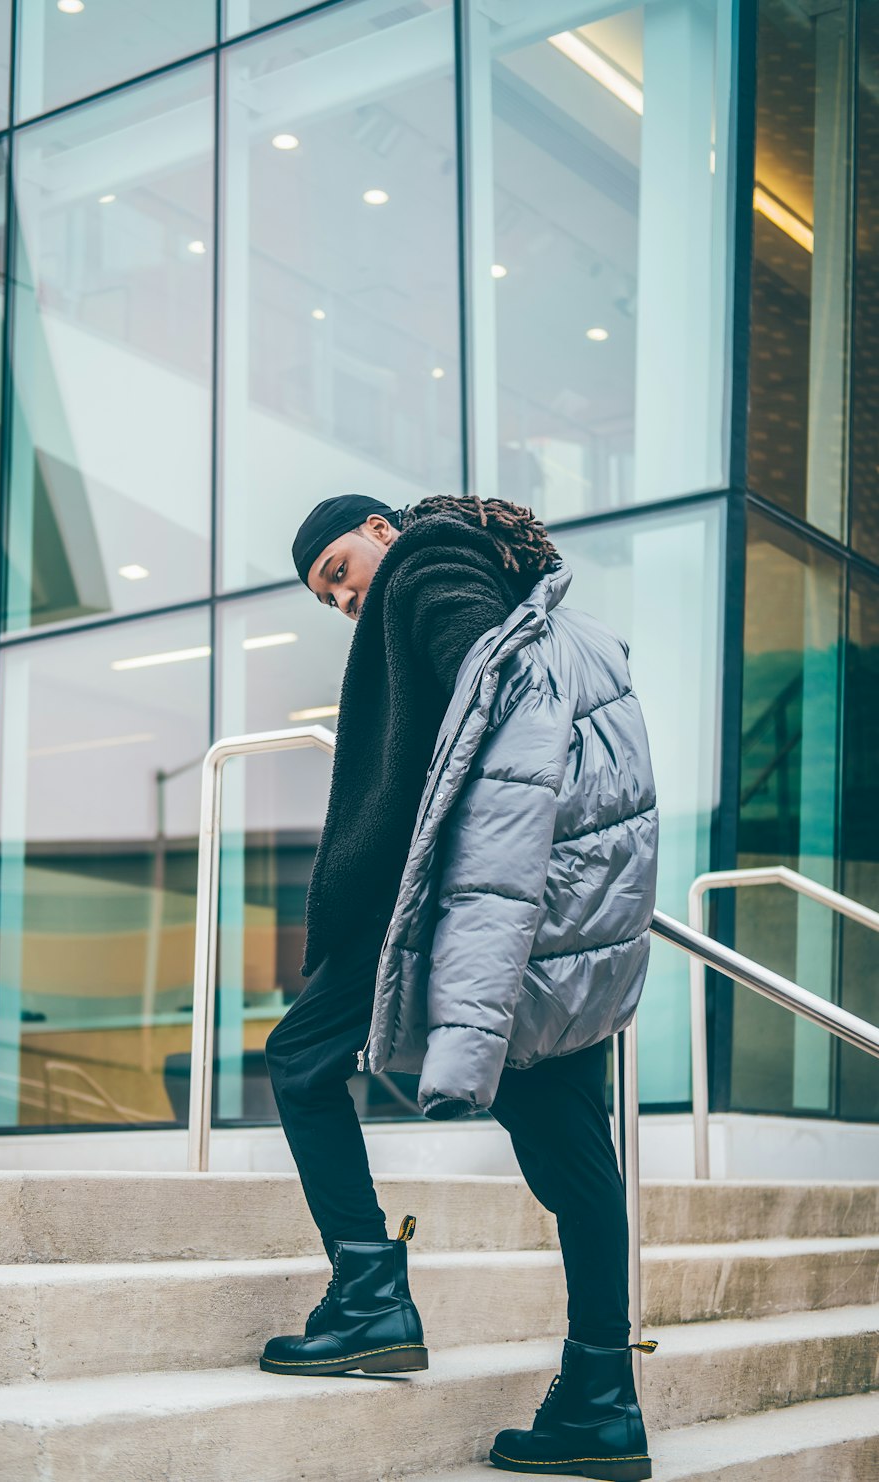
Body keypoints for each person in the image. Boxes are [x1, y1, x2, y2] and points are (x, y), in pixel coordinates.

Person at [260, 492, 659, 1481]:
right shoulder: (534, 602)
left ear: (383, 531)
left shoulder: (428, 565)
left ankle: (365, 1294)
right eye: (327, 598)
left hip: (446, 902)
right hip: (534, 911)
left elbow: (491, 698)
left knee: (302, 1059)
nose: (345, 598)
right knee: (572, 1158)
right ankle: (600, 1395)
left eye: (340, 572)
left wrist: (454, 904)